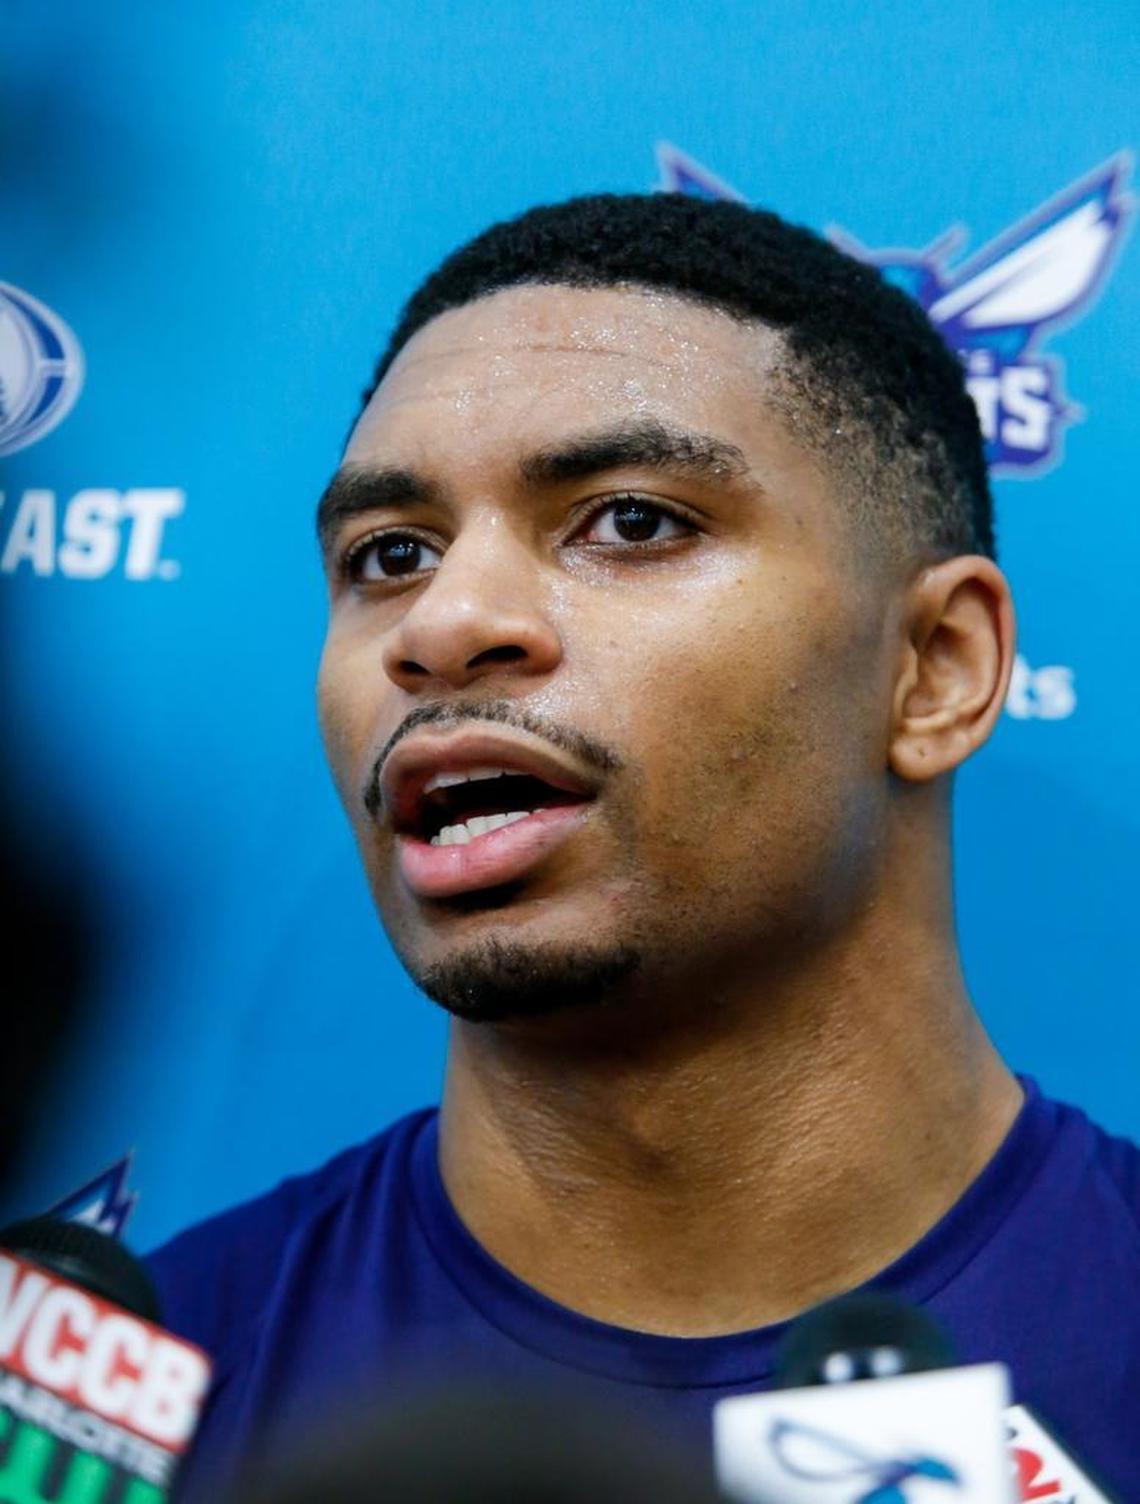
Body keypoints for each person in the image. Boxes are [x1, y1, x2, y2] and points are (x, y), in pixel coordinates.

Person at [149, 194, 1140, 1499]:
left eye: (630, 523)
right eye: (390, 554)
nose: (445, 626)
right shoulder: (126, 1404)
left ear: (936, 671)